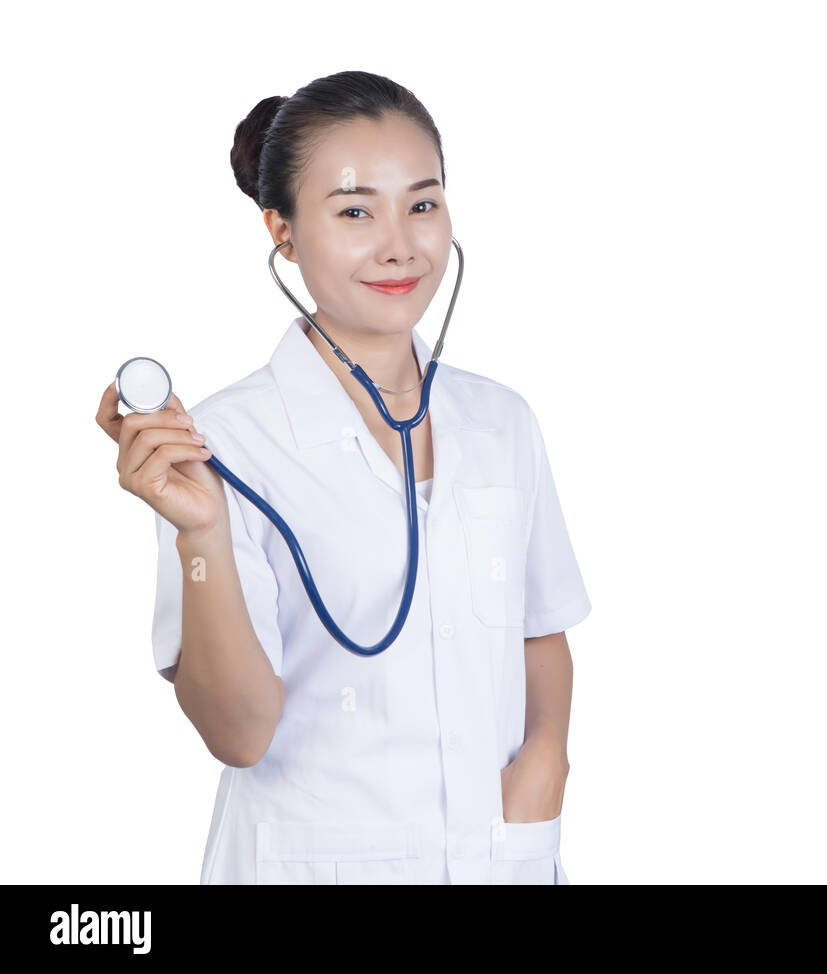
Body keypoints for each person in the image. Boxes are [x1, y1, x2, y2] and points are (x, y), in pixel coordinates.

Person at [94, 70, 591, 884]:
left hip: (504, 861)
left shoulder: (504, 423)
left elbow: (541, 629)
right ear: (281, 231)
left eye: (422, 204)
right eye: (356, 210)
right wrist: (202, 529)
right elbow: (239, 734)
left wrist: (545, 770)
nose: (400, 244)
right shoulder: (222, 441)